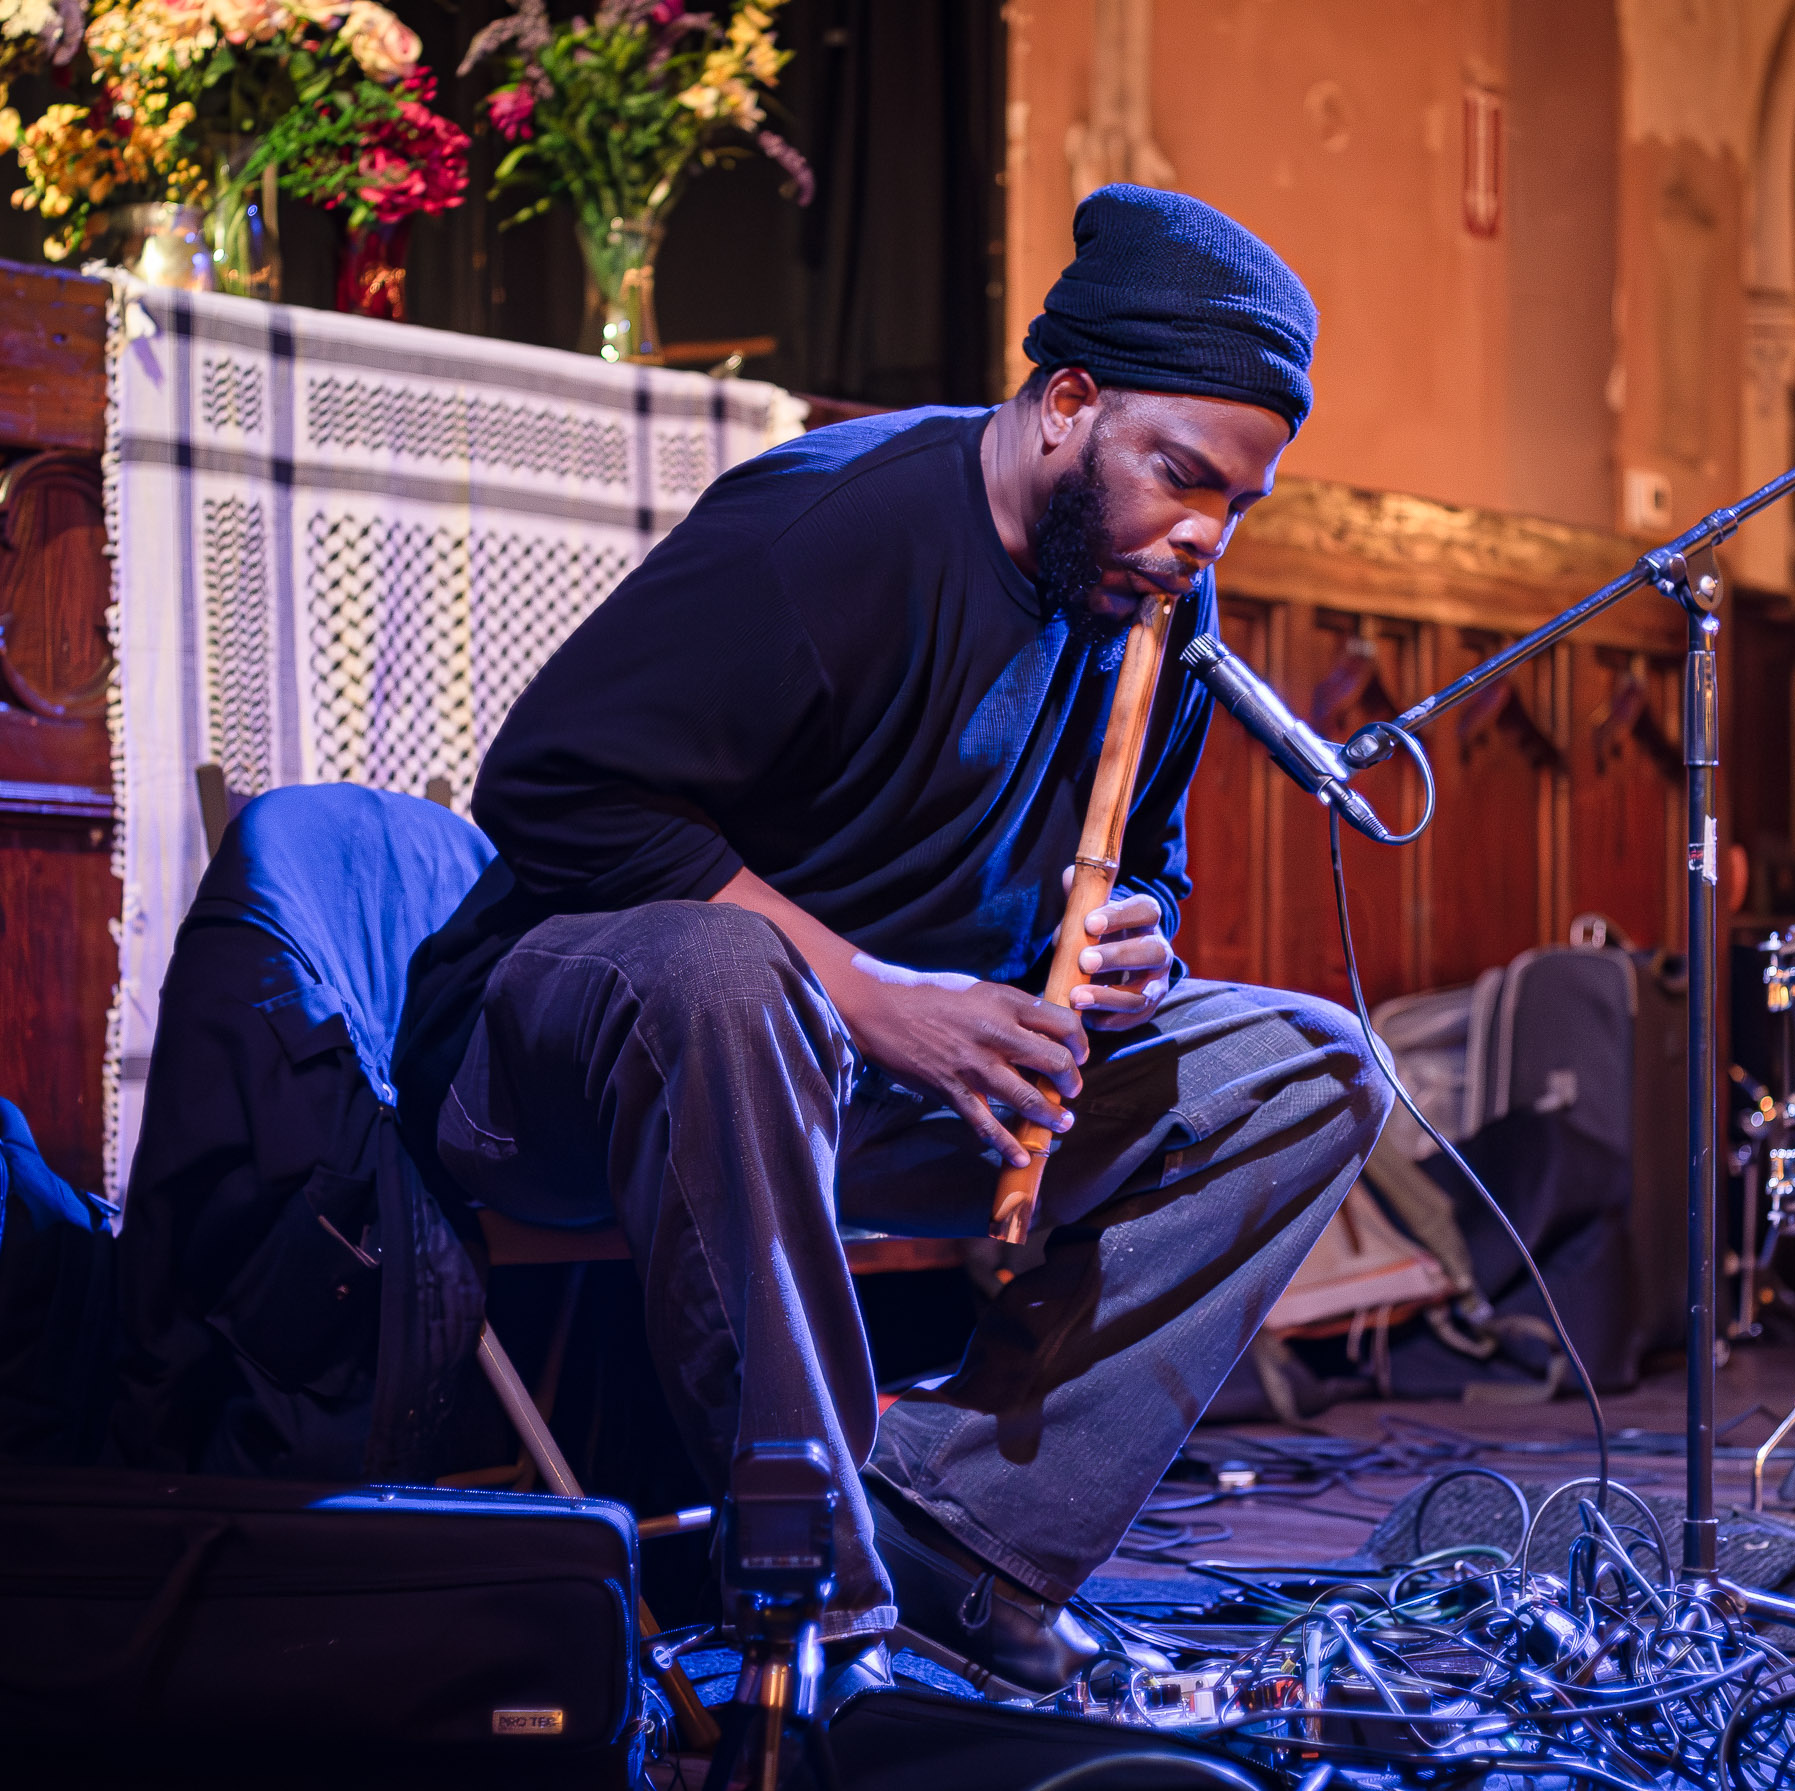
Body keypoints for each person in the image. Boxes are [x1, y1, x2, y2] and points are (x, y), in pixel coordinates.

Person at [395, 184, 1391, 1691]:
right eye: (1181, 477)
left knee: (1310, 1070)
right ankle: (830, 1605)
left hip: (872, 1091)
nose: (1203, 535)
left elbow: (1155, 867)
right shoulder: (833, 528)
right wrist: (864, 993)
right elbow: (554, 791)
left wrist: (1141, 942)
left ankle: (958, 1529)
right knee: (732, 978)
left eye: (1237, 507)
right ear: (1067, 402)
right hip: (584, 1066)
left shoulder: (1151, 610)